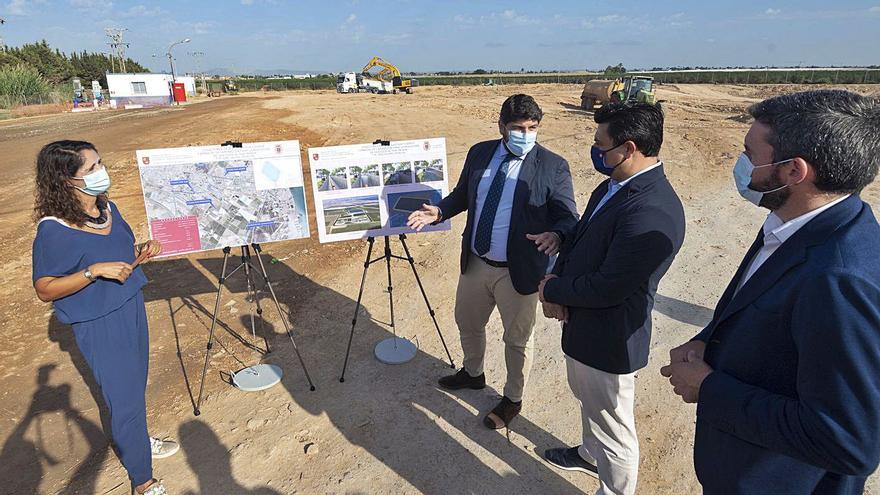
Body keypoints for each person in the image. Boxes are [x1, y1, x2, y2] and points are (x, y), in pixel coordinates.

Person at [660, 90, 880, 494]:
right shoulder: (795, 224)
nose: (741, 164)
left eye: (750, 153)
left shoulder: (838, 278)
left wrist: (709, 388)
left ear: (794, 171)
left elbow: (849, 440)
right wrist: (708, 339)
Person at [408, 94, 579, 429]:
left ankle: (513, 398)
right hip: (477, 262)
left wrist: (557, 235)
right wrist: (440, 211)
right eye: (518, 128)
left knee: (517, 340)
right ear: (501, 126)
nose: (526, 135)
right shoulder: (479, 152)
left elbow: (567, 216)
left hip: (519, 271)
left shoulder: (553, 165)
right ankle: (473, 373)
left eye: (532, 128)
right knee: (467, 322)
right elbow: (463, 195)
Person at [540, 102, 685, 495]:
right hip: (583, 327)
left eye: (600, 144)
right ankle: (590, 455)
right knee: (590, 405)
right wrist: (560, 256)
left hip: (609, 340)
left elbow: (610, 287)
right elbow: (584, 234)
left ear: (629, 148)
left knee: (614, 430)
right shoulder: (613, 186)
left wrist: (551, 289)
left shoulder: (652, 209)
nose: (596, 151)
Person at [31, 140, 178, 495]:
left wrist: (141, 250)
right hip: (99, 322)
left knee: (134, 385)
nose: (102, 172)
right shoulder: (53, 230)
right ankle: (143, 480)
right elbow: (45, 288)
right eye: (92, 168)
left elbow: (119, 255)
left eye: (100, 163)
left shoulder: (107, 209)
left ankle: (135, 440)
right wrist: (92, 271)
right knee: (122, 394)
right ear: (66, 179)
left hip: (130, 304)